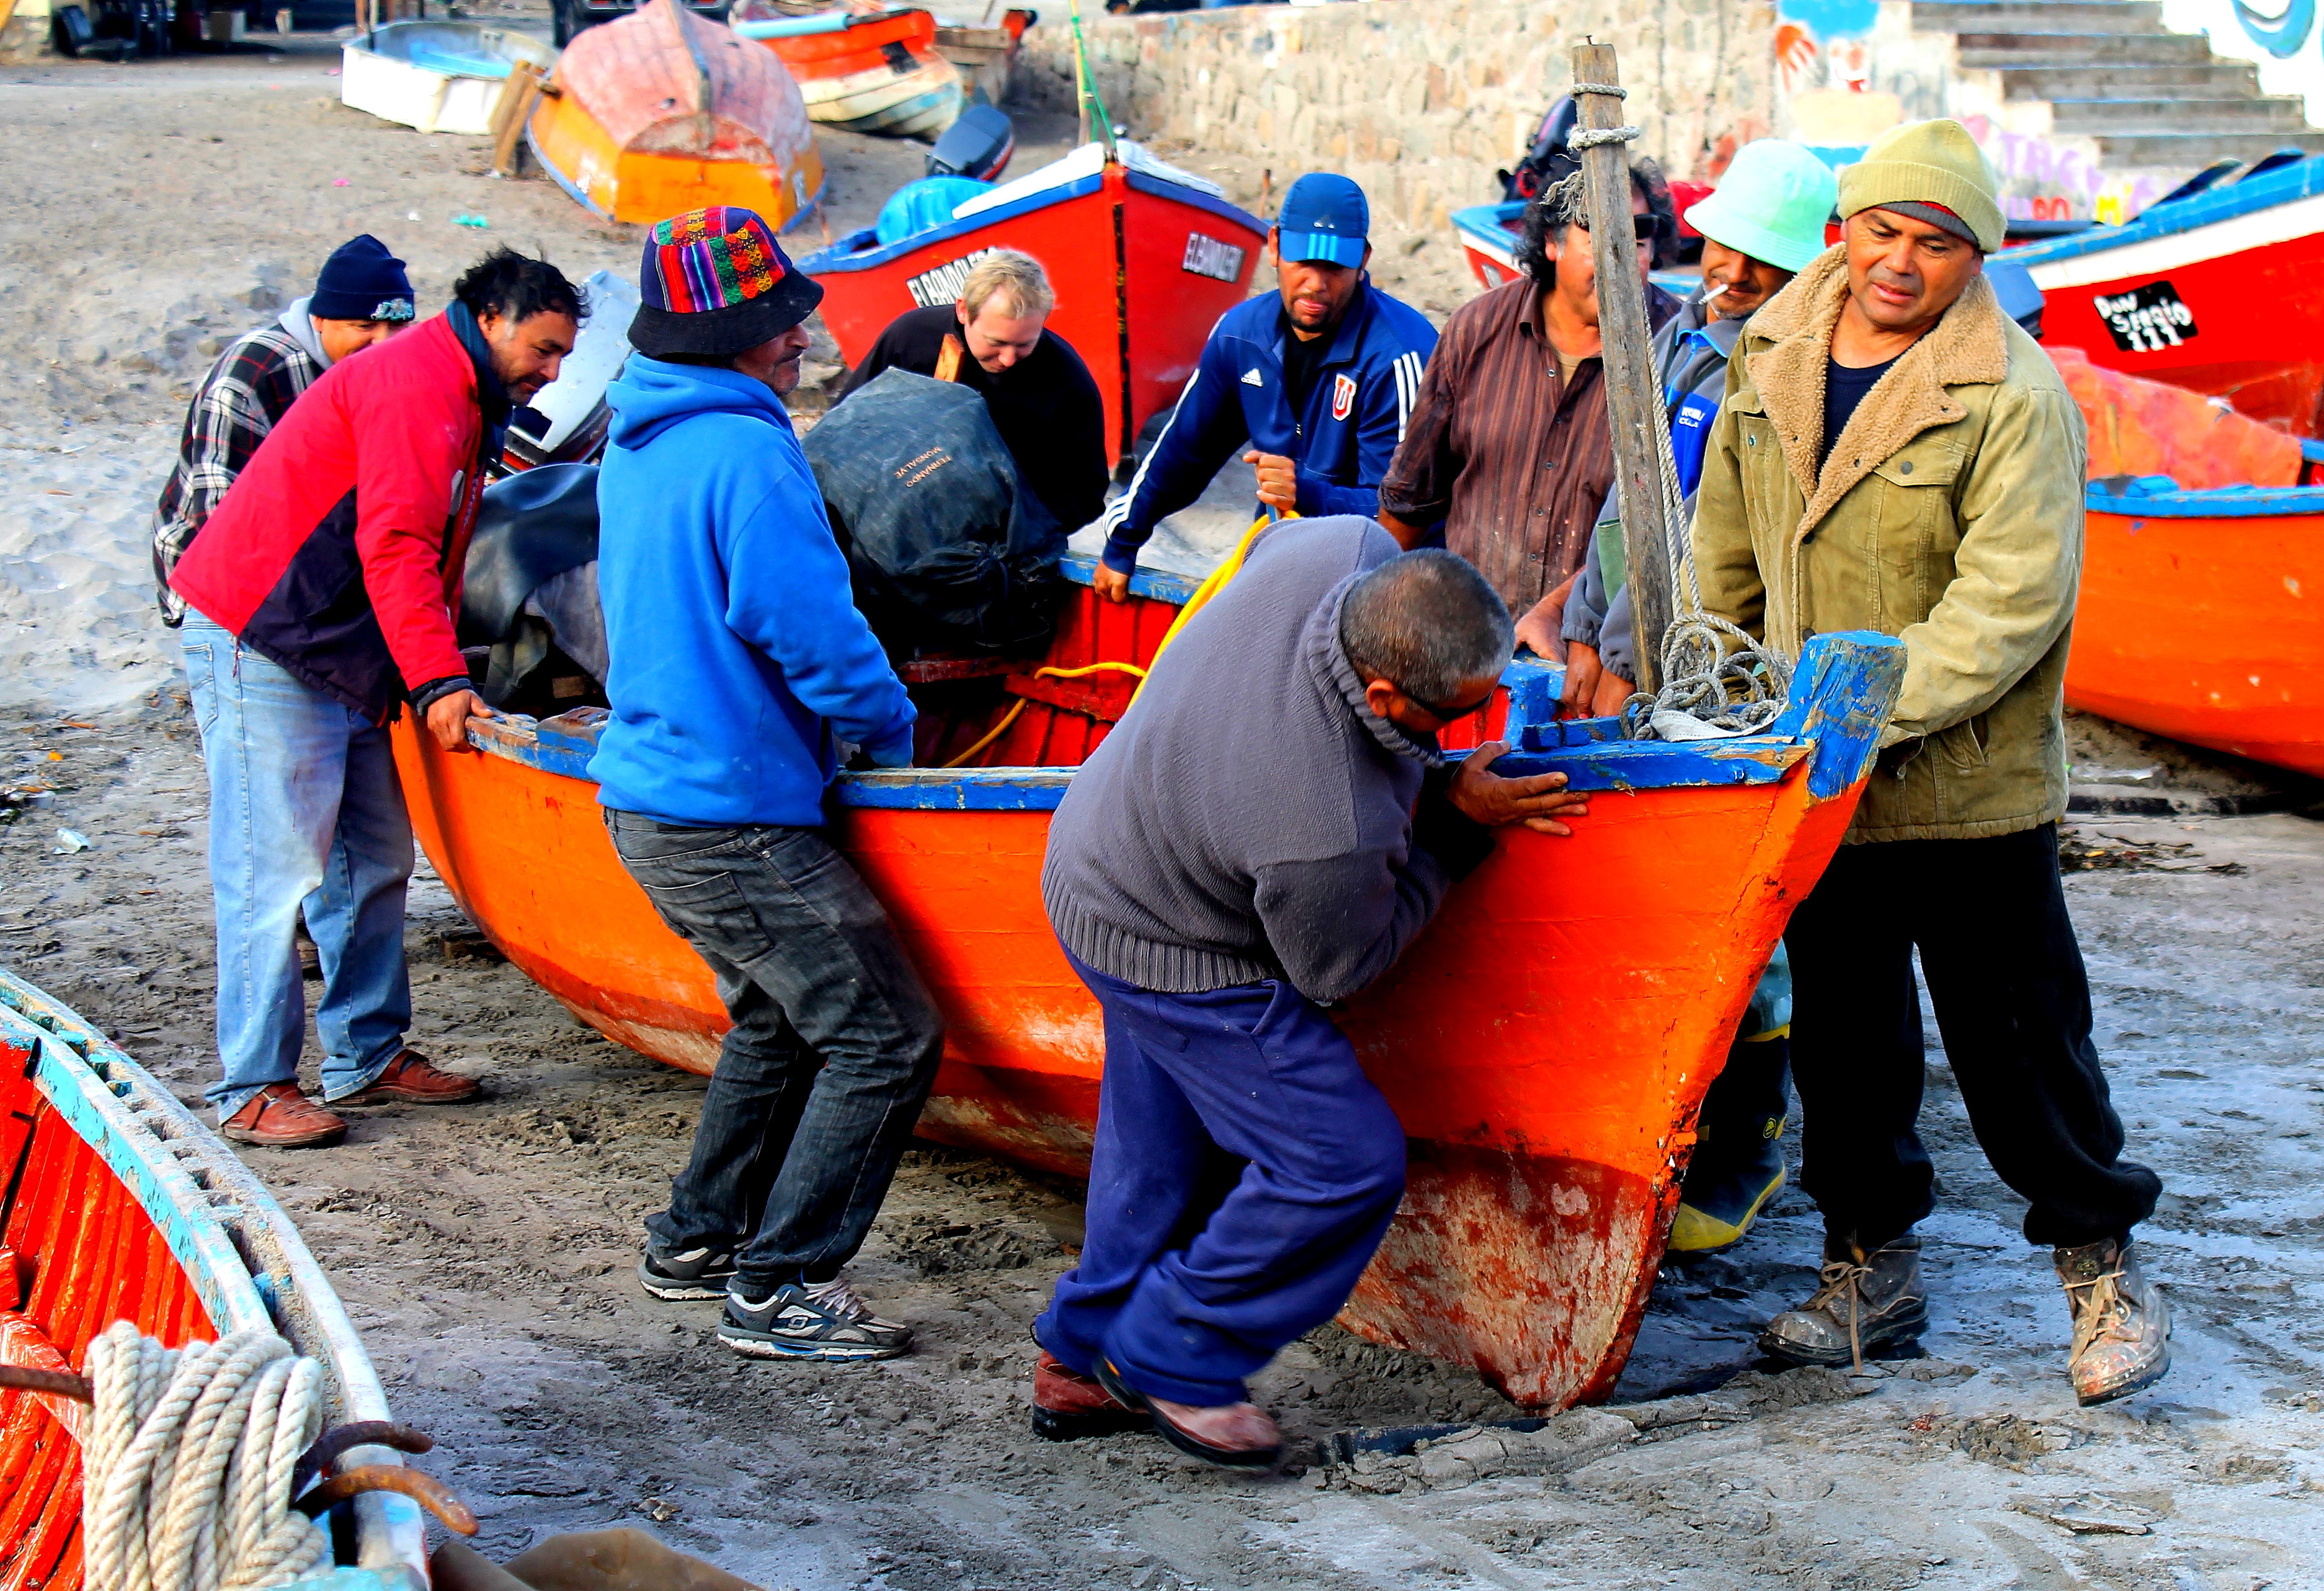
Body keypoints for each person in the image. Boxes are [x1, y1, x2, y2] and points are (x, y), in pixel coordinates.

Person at [1688, 120, 2171, 1406]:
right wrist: (1727, 696)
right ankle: (1869, 1270)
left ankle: (2102, 1269)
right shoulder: (1773, 349)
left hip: (1969, 794)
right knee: (1848, 1050)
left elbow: (2008, 608)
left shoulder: (2016, 398)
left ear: (1977, 257)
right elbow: (1726, 545)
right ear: (1845, 231)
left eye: (1938, 243)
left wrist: (1863, 702)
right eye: (1884, 231)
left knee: (2023, 1050)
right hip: (1815, 785)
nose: (1902, 263)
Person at [1029, 521, 1589, 1465]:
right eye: (1452, 718)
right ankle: (1177, 1353)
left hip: (1099, 850)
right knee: (1338, 1158)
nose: (1465, 732)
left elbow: (1254, 565)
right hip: (1179, 939)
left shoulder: (1338, 547)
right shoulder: (1328, 821)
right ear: (1381, 692)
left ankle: (1080, 1357)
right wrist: (1451, 824)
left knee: (1165, 1148)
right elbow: (1336, 971)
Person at [591, 207, 943, 1363]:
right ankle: (779, 1285)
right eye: (778, 325)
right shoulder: (743, 449)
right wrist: (891, 727)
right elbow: (807, 627)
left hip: (651, 798)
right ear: (726, 342)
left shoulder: (640, 437)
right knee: (887, 1036)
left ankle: (696, 1241)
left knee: (779, 1019)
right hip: (728, 812)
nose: (799, 339)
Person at [170, 248, 581, 1149]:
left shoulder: (462, 387)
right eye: (545, 350)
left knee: (373, 857)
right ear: (494, 317)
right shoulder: (417, 383)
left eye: (561, 358)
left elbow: (430, 542)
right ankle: (253, 1084)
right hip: (267, 630)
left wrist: (427, 661)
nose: (552, 373)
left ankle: (364, 1053)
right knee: (274, 867)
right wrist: (438, 678)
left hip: (344, 642)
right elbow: (396, 541)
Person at [1552, 143, 1838, 1255]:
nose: (1728, 268)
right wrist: (1585, 628)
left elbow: (1707, 548)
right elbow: (1624, 509)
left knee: (1738, 918)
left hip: (1722, 671)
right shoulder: (1674, 344)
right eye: (1722, 244)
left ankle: (1745, 1145)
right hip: (1625, 655)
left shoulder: (1783, 380)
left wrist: (1632, 652)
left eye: (1756, 257)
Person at [1095, 172, 1437, 602]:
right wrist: (1124, 540)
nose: (1317, 283)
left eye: (1334, 267)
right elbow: (1184, 451)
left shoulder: (1401, 358)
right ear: (1274, 246)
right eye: (1303, 262)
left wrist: (1305, 494)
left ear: (1363, 260)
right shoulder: (1241, 335)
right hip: (1280, 556)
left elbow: (1402, 523)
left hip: (1388, 587)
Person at [1376, 159, 1678, 630]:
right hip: (1464, 637)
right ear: (1552, 242)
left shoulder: (1675, 354)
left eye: (1636, 240)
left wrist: (1567, 617)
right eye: (1598, 236)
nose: (1619, 256)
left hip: (1597, 660)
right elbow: (1412, 500)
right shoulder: (1476, 331)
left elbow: (1677, 535)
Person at [152, 234, 417, 628]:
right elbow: (217, 516)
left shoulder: (389, 372)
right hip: (213, 575)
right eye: (365, 326)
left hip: (319, 560)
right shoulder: (255, 373)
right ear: (320, 320)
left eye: (398, 328)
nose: (383, 343)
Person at [839, 248, 1109, 535]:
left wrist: (1013, 532)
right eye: (996, 342)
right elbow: (847, 430)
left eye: (1024, 345)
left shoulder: (1067, 379)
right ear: (964, 310)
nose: (1008, 359)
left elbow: (1085, 493)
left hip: (1004, 538)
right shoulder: (911, 339)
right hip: (893, 517)